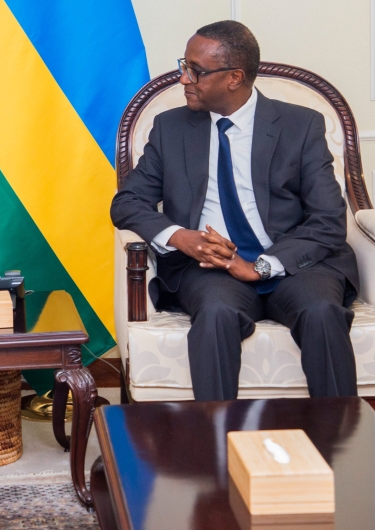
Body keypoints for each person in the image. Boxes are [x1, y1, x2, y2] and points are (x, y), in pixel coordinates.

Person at [110, 20, 359, 401]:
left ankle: (343, 444)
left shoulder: (300, 125)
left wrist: (261, 266)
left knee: (322, 312)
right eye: (184, 65)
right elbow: (126, 203)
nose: (183, 79)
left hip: (295, 262)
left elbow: (328, 221)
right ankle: (217, 445)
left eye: (195, 70)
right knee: (215, 315)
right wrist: (183, 239)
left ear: (234, 77)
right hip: (211, 269)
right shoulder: (170, 128)